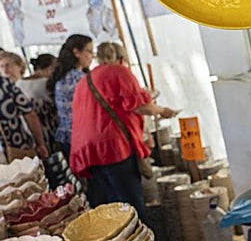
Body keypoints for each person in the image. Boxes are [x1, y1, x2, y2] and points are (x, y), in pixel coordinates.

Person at [69, 55, 176, 218]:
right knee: (131, 204)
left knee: (111, 206)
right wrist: (163, 111)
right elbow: (140, 106)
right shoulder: (119, 71)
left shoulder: (83, 81)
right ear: (121, 58)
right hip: (113, 146)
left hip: (87, 150)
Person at [48, 34, 94, 154]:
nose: (92, 56)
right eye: (89, 51)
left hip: (64, 135)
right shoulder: (81, 79)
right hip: (83, 135)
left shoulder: (60, 77)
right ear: (77, 52)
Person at [17, 53, 57, 142]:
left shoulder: (19, 83)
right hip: (46, 128)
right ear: (51, 68)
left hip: (27, 127)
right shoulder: (45, 83)